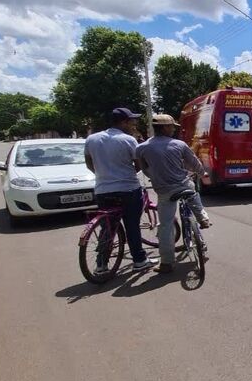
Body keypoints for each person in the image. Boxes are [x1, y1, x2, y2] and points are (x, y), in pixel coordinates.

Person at [84, 107, 158, 273]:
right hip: (128, 189)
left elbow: (89, 162)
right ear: (123, 122)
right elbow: (138, 165)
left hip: (103, 190)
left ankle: (101, 265)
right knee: (132, 225)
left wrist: (103, 175)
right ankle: (139, 260)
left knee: (107, 227)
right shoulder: (128, 140)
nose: (134, 124)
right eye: (132, 121)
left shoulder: (92, 139)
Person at [136, 114, 211, 274]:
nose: (173, 130)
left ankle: (167, 263)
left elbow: (144, 168)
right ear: (164, 128)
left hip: (164, 191)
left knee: (165, 226)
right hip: (183, 184)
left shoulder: (142, 148)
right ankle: (202, 217)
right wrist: (202, 173)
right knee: (192, 192)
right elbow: (194, 162)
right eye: (171, 127)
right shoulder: (179, 144)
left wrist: (155, 177)